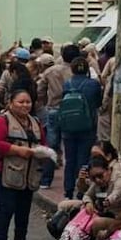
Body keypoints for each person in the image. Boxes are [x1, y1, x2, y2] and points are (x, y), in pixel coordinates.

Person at [0, 87, 47, 240]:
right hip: (6, 172)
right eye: (21, 102)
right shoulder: (2, 120)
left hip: (29, 174)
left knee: (24, 209)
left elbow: (43, 143)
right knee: (6, 208)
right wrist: (17, 150)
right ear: (11, 103)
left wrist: (43, 153)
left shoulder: (35, 122)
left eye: (28, 102)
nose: (25, 105)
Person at [37, 44, 80, 189]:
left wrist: (45, 102)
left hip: (54, 109)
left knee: (52, 145)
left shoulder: (50, 71)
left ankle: (46, 180)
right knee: (71, 145)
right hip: (73, 111)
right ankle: (73, 179)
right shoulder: (78, 72)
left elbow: (40, 90)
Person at [60, 57, 102, 199]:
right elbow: (98, 103)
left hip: (68, 127)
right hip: (87, 127)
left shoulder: (67, 84)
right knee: (84, 159)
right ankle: (81, 190)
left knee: (69, 160)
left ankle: (68, 191)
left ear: (72, 69)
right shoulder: (94, 84)